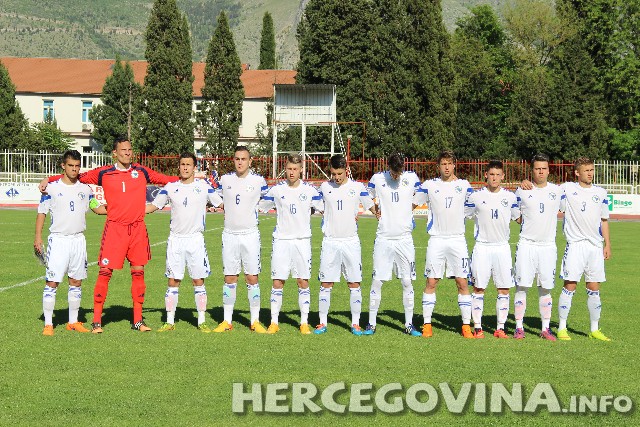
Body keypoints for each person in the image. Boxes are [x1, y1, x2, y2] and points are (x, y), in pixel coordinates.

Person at [39, 137, 179, 333]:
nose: (127, 153)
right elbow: (75, 176)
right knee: (105, 274)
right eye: (123, 150)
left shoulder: (141, 171)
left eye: (130, 149)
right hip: (114, 229)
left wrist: (190, 179)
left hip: (138, 229)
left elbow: (166, 180)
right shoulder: (104, 173)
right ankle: (97, 322)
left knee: (138, 273)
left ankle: (138, 320)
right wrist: (50, 179)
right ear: (115, 153)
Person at [145, 152, 222, 332]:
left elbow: (221, 204)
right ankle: (170, 322)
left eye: (188, 164)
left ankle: (201, 321)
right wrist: (129, 211)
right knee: (173, 281)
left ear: (194, 167)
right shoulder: (170, 187)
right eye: (182, 164)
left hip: (195, 240)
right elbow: (153, 206)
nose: (185, 167)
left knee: (198, 280)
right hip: (176, 240)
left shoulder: (203, 187)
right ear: (178, 167)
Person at [35, 150, 106, 336]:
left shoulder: (85, 189)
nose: (74, 169)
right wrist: (38, 237)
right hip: (58, 240)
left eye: (77, 166)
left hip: (78, 240)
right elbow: (42, 213)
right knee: (52, 282)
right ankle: (48, 324)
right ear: (63, 166)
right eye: (70, 166)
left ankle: (73, 321)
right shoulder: (51, 189)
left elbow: (96, 208)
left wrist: (117, 208)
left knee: (76, 281)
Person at [413, 150, 474, 339]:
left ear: (454, 164)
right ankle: (427, 324)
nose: (446, 167)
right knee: (431, 281)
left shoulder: (464, 186)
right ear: (438, 166)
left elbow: (475, 207)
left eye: (449, 163)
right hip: (437, 240)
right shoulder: (430, 185)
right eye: (443, 164)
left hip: (457, 239)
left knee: (462, 282)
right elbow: (412, 203)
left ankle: (466, 326)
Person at [258, 154, 323, 334]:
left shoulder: (310, 191)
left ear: (301, 169)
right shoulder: (276, 191)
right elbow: (259, 207)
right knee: (278, 282)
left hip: (302, 241)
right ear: (284, 169)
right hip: (282, 241)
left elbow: (326, 209)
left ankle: (303, 322)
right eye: (289, 169)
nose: (292, 172)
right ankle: (274, 322)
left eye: (295, 169)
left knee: (303, 281)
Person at [314, 154, 375, 336]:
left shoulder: (357, 188)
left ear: (346, 170)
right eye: (333, 173)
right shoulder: (324, 187)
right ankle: (322, 322)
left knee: (354, 283)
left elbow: (372, 206)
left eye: (340, 173)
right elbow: (312, 204)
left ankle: (355, 323)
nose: (337, 177)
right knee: (326, 283)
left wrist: (381, 214)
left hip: (350, 241)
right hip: (330, 241)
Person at [212, 146, 269, 333]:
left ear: (250, 161)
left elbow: (270, 201)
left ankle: (255, 321)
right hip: (229, 234)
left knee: (252, 277)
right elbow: (216, 198)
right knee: (230, 277)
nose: (240, 162)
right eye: (237, 159)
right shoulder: (225, 180)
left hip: (250, 235)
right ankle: (227, 321)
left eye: (243, 159)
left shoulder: (259, 181)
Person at [364, 153, 422, 336]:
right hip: (384, 238)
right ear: (388, 167)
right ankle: (371, 324)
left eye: (399, 172)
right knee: (377, 281)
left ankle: (409, 324)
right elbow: (366, 195)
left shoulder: (411, 178)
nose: (396, 176)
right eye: (393, 173)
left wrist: (408, 210)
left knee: (407, 281)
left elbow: (421, 195)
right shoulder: (378, 178)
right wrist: (375, 211)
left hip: (404, 239)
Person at [556, 157, 611, 341]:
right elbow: (545, 189)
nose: (590, 173)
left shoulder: (601, 193)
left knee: (594, 287)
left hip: (595, 247)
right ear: (577, 172)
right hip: (575, 245)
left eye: (592, 170)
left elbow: (604, 220)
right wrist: (526, 183)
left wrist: (607, 244)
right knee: (570, 285)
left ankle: (594, 329)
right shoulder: (567, 188)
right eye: (586, 170)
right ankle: (562, 328)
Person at [464, 160, 520, 339]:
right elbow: (462, 215)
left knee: (504, 289)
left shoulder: (510, 197)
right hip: (482, 247)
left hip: (502, 247)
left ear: (503, 176)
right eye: (491, 174)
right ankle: (478, 327)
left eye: (498, 174)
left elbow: (520, 219)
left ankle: (500, 328)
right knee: (479, 289)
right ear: (485, 176)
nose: (494, 178)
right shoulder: (476, 197)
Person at [513, 154, 563, 341]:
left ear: (549, 170)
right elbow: (515, 215)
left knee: (546, 288)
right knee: (522, 286)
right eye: (537, 169)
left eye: (544, 168)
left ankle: (545, 328)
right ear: (532, 170)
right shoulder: (522, 190)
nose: (541, 172)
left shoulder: (558, 191)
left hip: (548, 246)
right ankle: (519, 327)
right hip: (527, 244)